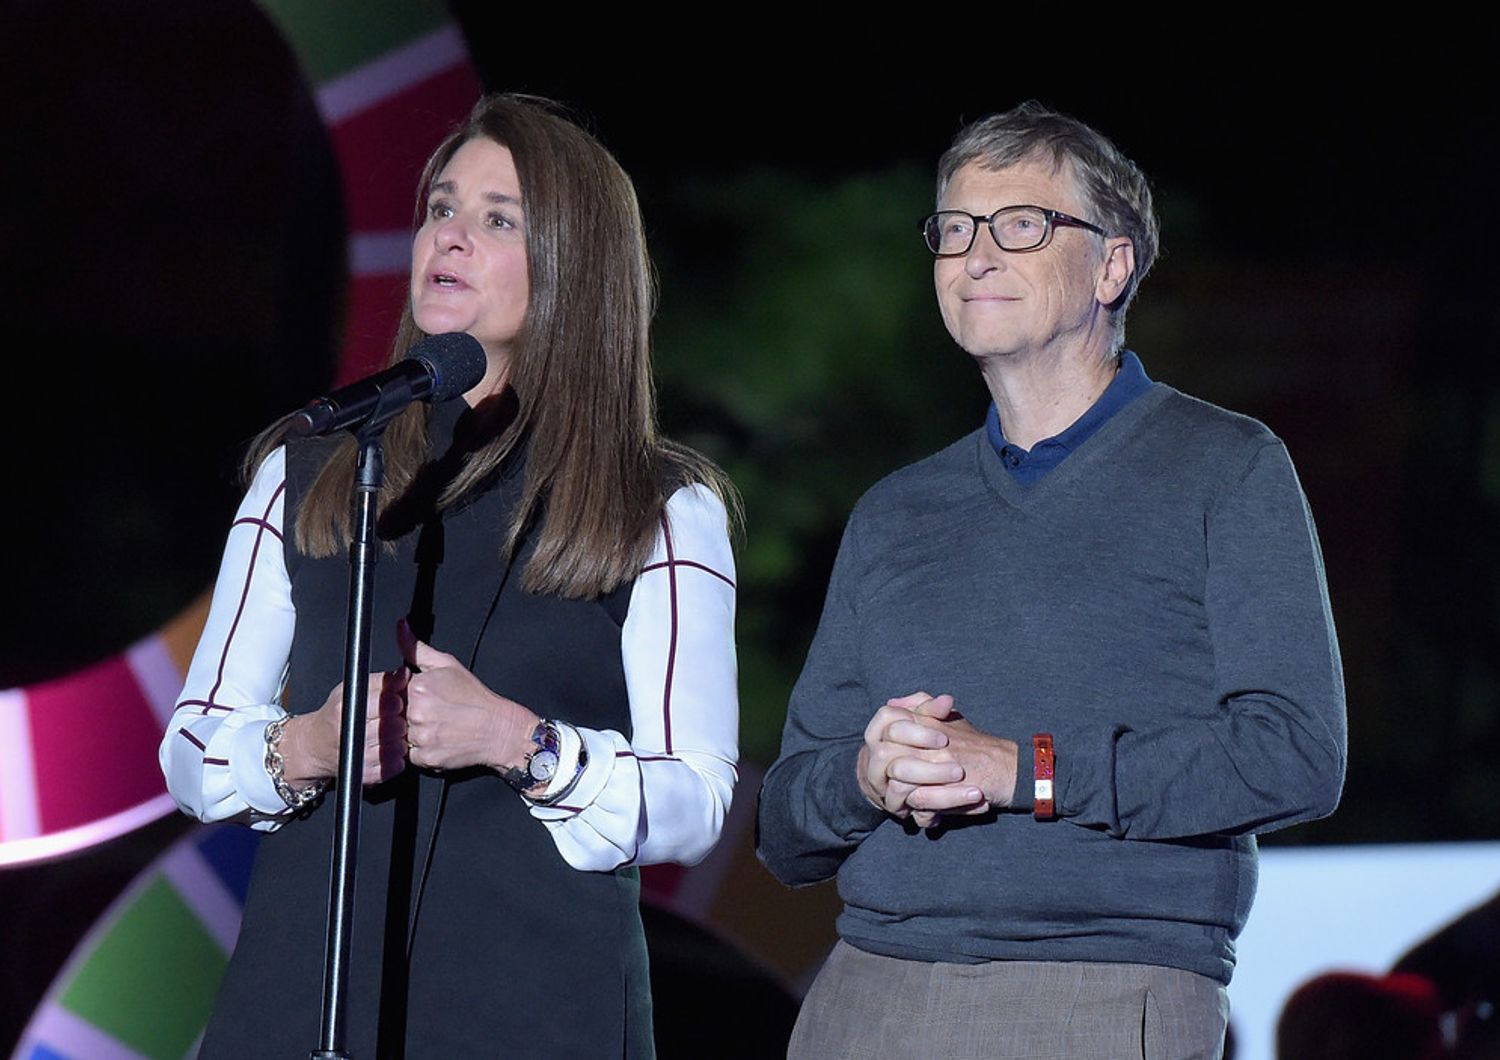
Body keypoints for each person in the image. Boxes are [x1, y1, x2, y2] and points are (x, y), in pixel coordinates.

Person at [756, 101, 1346, 1060]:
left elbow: (1294, 755)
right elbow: (785, 827)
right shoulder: (895, 511)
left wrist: (1024, 771)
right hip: (864, 992)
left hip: (1102, 989)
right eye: (953, 230)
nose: (975, 255)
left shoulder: (1226, 467)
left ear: (1112, 266)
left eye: (1021, 225)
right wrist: (865, 777)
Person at [159, 94, 739, 1057]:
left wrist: (518, 741)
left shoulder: (658, 506)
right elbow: (192, 746)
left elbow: (695, 799)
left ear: (571, 266)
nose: (452, 237)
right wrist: (306, 743)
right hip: (301, 1002)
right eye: (440, 207)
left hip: (531, 1009)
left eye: (497, 218)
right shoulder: (309, 468)